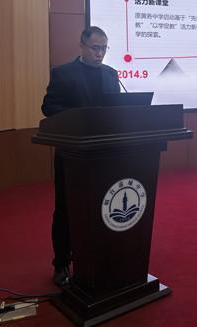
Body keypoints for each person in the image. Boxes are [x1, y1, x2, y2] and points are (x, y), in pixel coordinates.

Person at [41, 26, 120, 286]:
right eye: (95, 48)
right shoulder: (63, 73)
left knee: (102, 206)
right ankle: (61, 262)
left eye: (104, 49)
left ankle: (99, 255)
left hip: (104, 153)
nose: (100, 53)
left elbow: (116, 110)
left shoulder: (111, 74)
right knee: (66, 208)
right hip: (72, 153)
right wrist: (77, 118)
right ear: (82, 46)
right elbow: (49, 107)